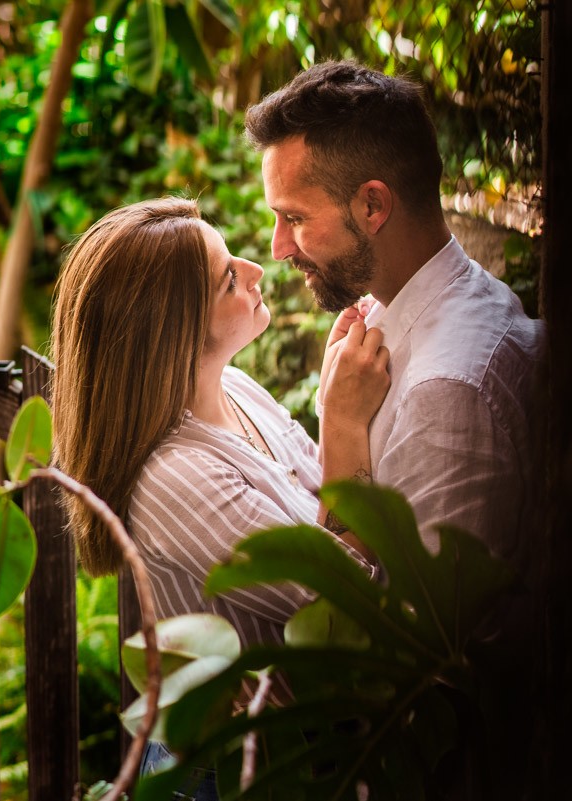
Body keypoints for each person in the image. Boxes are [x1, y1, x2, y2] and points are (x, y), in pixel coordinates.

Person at [51, 197, 388, 652]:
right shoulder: (174, 481)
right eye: (229, 279)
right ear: (174, 333)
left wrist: (332, 397)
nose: (256, 270)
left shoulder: (236, 388)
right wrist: (344, 420)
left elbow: (324, 499)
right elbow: (350, 604)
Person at [244, 60, 546, 565]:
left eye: (294, 217)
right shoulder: (444, 300)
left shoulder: (446, 394)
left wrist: (340, 424)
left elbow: (409, 612)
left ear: (372, 206)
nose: (278, 249)